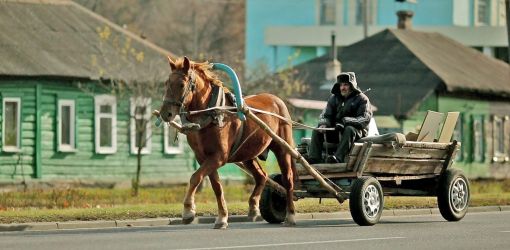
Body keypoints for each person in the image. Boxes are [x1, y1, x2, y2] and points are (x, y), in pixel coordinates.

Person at [307, 72, 372, 164]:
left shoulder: (362, 99)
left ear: (352, 85)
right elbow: (325, 115)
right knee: (317, 130)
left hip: (356, 133)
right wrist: (324, 124)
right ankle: (314, 158)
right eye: (341, 85)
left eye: (345, 85)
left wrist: (345, 121)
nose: (342, 88)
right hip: (336, 131)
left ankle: (338, 158)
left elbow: (365, 119)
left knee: (349, 129)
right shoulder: (334, 98)